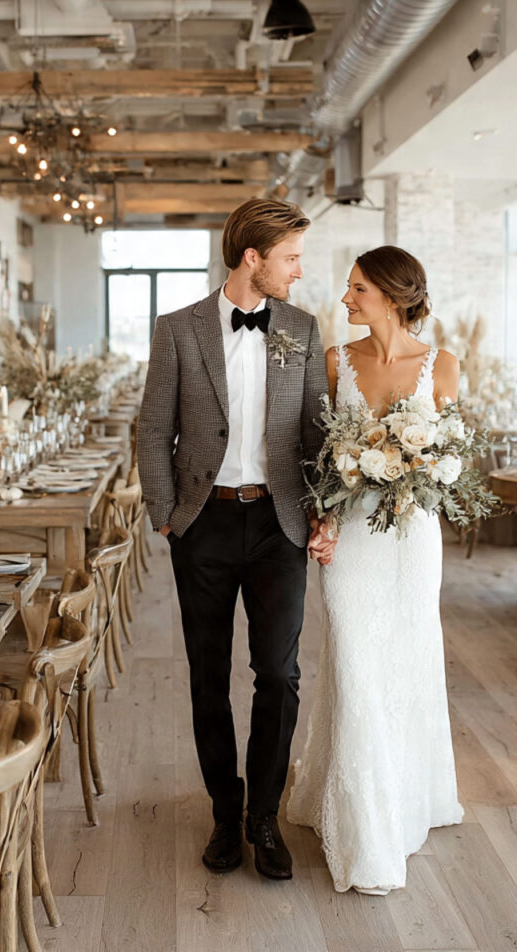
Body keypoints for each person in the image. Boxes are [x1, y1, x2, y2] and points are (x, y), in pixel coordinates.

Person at [137, 198, 334, 881]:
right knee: (208, 674)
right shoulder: (177, 329)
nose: (298, 271)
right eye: (290, 258)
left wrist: (325, 509)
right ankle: (225, 813)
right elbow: (152, 426)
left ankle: (264, 818)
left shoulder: (301, 329)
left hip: (280, 524)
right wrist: (166, 514)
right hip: (205, 523)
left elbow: (316, 430)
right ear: (253, 258)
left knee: (278, 673)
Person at [285, 245, 464, 895]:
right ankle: (367, 837)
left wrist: (420, 469)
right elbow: (312, 455)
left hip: (413, 540)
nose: (345, 298)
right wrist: (322, 518)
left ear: (391, 295)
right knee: (356, 663)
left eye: (357, 288)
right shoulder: (334, 362)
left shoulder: (444, 366)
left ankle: (405, 799)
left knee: (406, 663)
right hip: (352, 539)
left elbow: (453, 459)